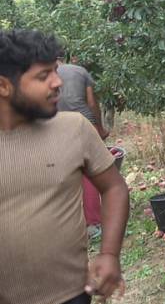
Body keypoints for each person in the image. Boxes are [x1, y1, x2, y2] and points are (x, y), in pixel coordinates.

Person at [0, 29, 129, 304]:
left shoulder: (74, 128)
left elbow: (114, 187)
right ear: (3, 86)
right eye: (43, 76)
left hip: (71, 295)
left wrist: (109, 254)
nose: (58, 82)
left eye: (55, 71)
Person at [57, 58, 108, 236]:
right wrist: (99, 127)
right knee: (90, 173)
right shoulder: (80, 71)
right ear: (63, 58)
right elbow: (92, 103)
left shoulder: (44, 74)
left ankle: (71, 224)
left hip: (58, 126)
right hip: (84, 123)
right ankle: (93, 224)